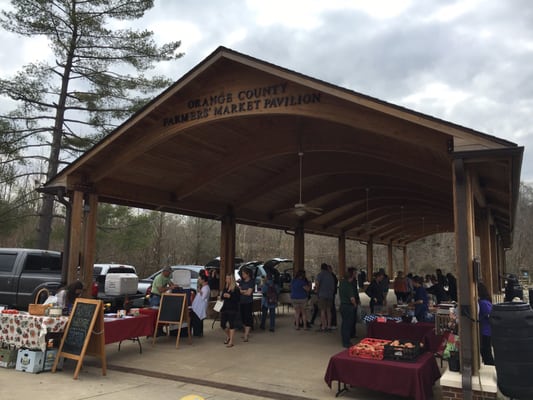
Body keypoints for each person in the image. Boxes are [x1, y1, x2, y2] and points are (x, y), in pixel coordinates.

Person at [220, 273, 240, 347]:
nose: (226, 280)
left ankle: (231, 341)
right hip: (225, 308)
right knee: (222, 324)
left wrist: (230, 296)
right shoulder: (226, 287)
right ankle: (229, 336)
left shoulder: (236, 289)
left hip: (232, 308)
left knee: (231, 324)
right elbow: (222, 296)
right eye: (226, 278)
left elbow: (238, 299)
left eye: (228, 278)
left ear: (231, 280)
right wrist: (223, 295)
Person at [339, 270, 357, 348]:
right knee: (348, 324)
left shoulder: (342, 283)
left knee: (344, 324)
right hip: (348, 306)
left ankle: (345, 339)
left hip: (343, 305)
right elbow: (352, 298)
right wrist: (355, 304)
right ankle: (346, 342)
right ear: (352, 276)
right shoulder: (349, 285)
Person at [478, 282, 495, 365]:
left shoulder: (483, 303)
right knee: (485, 352)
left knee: (486, 352)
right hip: (486, 330)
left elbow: (489, 315)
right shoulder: (485, 301)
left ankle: (492, 367)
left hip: (486, 331)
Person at [315, 263, 335, 332]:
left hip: (322, 294)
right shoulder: (330, 275)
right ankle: (329, 326)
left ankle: (324, 326)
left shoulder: (320, 275)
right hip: (330, 295)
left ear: (321, 268)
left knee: (322, 311)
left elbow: (317, 284)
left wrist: (316, 291)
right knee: (329, 311)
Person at [191, 271, 210, 337]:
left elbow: (203, 297)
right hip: (198, 306)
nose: (199, 280)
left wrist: (200, 291)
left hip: (201, 307)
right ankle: (198, 332)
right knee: (197, 319)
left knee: (198, 319)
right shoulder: (203, 287)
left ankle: (198, 333)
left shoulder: (206, 288)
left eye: (200, 279)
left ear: (203, 280)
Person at [238, 267, 254, 342]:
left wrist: (242, 291)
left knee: (248, 318)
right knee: (243, 318)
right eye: (242, 274)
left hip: (248, 302)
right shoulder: (242, 281)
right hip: (241, 302)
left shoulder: (251, 282)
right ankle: (245, 332)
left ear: (248, 274)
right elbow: (239, 290)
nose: (243, 275)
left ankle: (246, 335)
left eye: (244, 274)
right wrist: (244, 291)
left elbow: (249, 293)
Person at [347, 267, 361, 338]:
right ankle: (349, 333)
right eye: (355, 273)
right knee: (350, 318)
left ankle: (353, 333)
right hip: (350, 301)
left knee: (354, 318)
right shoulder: (347, 281)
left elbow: (356, 291)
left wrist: (358, 299)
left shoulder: (355, 280)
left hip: (355, 299)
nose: (356, 274)